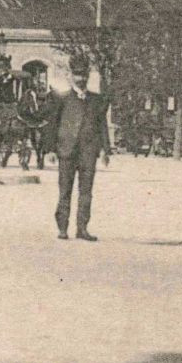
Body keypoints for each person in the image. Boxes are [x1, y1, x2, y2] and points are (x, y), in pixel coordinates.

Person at [40, 55, 110, 241]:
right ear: (71, 76)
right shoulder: (62, 99)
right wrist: (50, 149)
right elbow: (52, 124)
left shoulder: (96, 101)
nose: (81, 78)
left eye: (84, 75)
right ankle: (63, 228)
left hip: (88, 152)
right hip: (66, 150)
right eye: (77, 75)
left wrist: (105, 150)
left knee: (86, 192)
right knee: (65, 191)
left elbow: (101, 125)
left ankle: (82, 228)